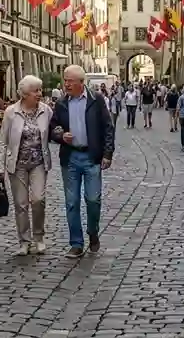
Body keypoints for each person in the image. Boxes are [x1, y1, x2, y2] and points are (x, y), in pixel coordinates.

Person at [49, 64, 114, 259]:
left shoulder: (97, 100)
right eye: (65, 80)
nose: (66, 84)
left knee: (93, 199)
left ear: (81, 82)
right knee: (72, 202)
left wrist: (107, 154)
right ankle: (76, 243)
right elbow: (54, 127)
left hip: (91, 156)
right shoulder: (61, 103)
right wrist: (61, 136)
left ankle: (93, 232)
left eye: (70, 81)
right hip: (70, 157)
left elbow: (108, 127)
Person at [0, 75, 54, 256]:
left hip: (38, 163)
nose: (39, 94)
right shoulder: (11, 112)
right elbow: (3, 141)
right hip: (17, 164)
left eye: (40, 90)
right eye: (35, 91)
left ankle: (39, 238)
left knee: (38, 200)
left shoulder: (46, 111)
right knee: (21, 204)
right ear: (25, 94)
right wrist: (0, 167)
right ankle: (24, 241)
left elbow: (55, 130)